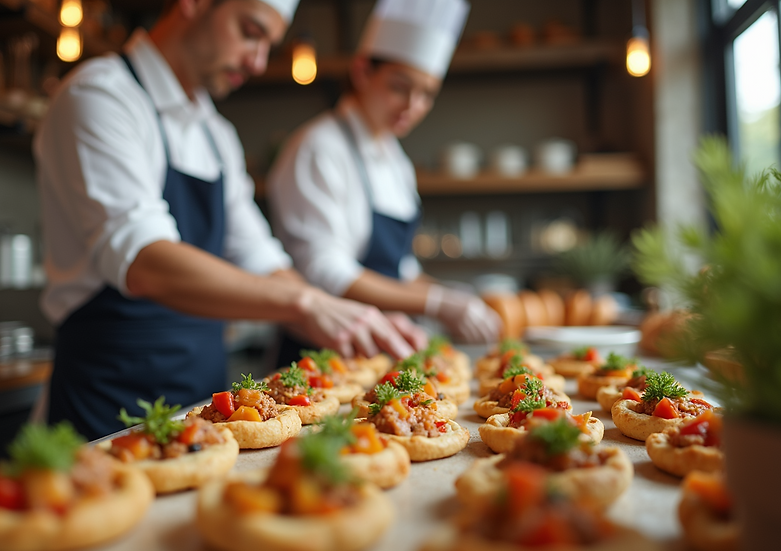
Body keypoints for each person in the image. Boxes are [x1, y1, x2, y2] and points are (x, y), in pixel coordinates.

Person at [34, 0, 421, 440]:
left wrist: (344, 315)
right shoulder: (100, 96)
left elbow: (260, 258)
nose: (257, 62)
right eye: (250, 31)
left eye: (268, 45)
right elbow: (145, 261)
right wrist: (307, 304)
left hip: (203, 404)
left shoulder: (216, 136)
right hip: (106, 401)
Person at [267, 0, 499, 367]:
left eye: (427, 94)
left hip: (386, 349)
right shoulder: (318, 148)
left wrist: (453, 296)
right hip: (324, 357)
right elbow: (326, 273)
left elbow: (400, 270)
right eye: (399, 86)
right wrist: (437, 303)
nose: (412, 105)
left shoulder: (396, 160)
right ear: (362, 71)